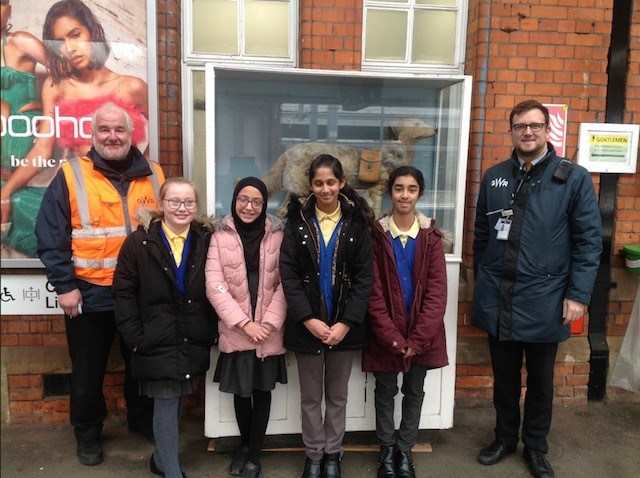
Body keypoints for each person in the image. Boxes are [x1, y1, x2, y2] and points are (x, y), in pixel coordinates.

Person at [472, 100, 602, 478]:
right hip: (500, 296)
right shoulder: (495, 176)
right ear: (510, 131)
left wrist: (578, 295)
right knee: (505, 378)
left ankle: (536, 447)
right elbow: (483, 233)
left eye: (535, 126)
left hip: (546, 298)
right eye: (519, 126)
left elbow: (589, 242)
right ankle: (505, 438)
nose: (527, 132)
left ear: (548, 130)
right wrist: (483, 278)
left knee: (541, 381)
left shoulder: (572, 178)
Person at [35, 102, 163, 466]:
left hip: (142, 294)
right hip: (90, 293)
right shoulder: (72, 174)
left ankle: (142, 422)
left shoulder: (154, 174)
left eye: (119, 130)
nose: (112, 136)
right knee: (88, 371)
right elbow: (49, 235)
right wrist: (64, 286)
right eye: (104, 130)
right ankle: (88, 434)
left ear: (131, 134)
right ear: (93, 135)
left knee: (143, 364)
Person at [3, 0, 149, 258]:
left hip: (122, 196)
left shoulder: (132, 87)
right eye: (60, 42)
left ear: (92, 31)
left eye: (76, 35)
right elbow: (42, 148)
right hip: (78, 194)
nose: (70, 48)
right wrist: (5, 193)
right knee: (18, 203)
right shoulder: (56, 86)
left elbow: (151, 153)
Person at [113, 177, 218, 478]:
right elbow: (123, 292)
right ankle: (171, 471)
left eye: (189, 202)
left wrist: (210, 329)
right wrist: (134, 336)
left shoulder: (205, 239)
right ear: (160, 204)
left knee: (177, 398)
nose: (181, 208)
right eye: (174, 201)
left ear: (196, 206)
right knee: (166, 401)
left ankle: (161, 460)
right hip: (154, 336)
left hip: (191, 335)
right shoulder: (139, 242)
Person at [279, 154, 374, 478]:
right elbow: (288, 276)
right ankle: (314, 455)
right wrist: (307, 319)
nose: (325, 189)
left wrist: (346, 324)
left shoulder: (357, 222)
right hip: (309, 325)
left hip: (343, 327)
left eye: (330, 182)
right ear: (310, 185)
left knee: (337, 395)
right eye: (318, 183)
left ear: (341, 183)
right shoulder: (297, 221)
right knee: (310, 398)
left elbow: (364, 279)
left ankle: (333, 454)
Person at [362, 166, 449, 478]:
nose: (405, 195)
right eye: (399, 188)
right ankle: (386, 450)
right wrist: (395, 340)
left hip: (422, 337)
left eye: (411, 189)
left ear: (419, 194)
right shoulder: (376, 236)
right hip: (387, 336)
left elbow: (437, 295)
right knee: (385, 392)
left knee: (414, 392)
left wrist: (417, 341)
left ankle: (404, 451)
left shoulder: (431, 238)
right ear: (390, 192)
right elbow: (372, 294)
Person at [205, 177, 288, 478]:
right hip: (237, 329)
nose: (249, 206)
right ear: (234, 199)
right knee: (241, 393)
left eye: (256, 201)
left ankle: (254, 454)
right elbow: (215, 286)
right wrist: (243, 323)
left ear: (265, 204)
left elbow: (285, 283)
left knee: (262, 392)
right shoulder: (220, 236)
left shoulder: (279, 235)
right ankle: (243, 446)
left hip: (268, 332)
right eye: (243, 199)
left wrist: (267, 324)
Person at [0, 0, 48, 256]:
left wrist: (48, 105)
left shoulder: (20, 41)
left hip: (24, 147)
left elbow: (68, 76)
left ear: (9, 8)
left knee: (22, 204)